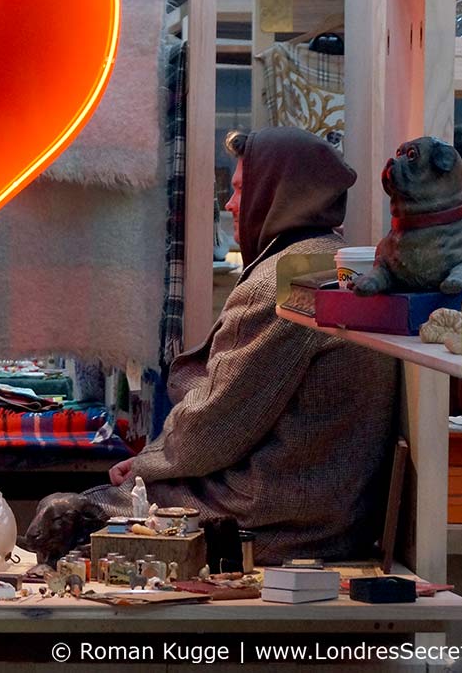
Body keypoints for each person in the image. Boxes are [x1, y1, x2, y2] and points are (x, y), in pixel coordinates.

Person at [83, 127, 399, 565]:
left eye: (239, 190)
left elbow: (214, 428)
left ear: (277, 194)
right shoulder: (332, 262)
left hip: (278, 521)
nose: (230, 205)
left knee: (83, 510)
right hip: (329, 516)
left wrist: (145, 466)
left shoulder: (284, 281)